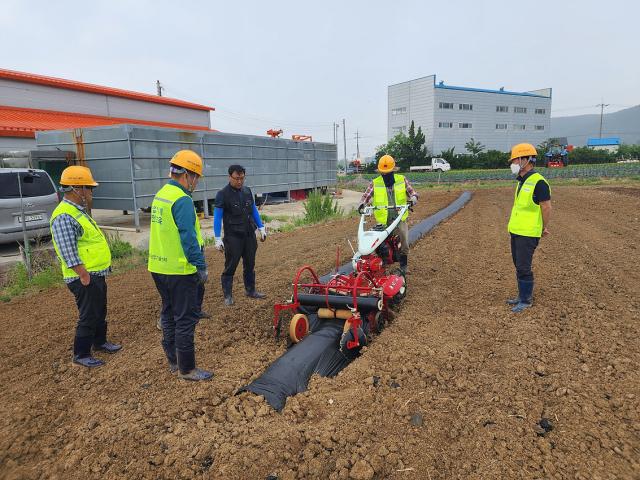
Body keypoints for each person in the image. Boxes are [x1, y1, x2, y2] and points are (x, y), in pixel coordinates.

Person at [148, 150, 212, 381]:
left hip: (158, 267)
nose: (196, 183)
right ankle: (187, 369)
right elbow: (189, 238)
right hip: (179, 270)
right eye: (196, 177)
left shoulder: (161, 194)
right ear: (188, 175)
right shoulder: (182, 199)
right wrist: (200, 265)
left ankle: (173, 361)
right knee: (185, 318)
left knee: (168, 313)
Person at [50, 165, 121, 368]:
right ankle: (81, 354)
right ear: (77, 189)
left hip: (95, 273)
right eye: (89, 188)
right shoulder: (64, 215)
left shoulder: (76, 211)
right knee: (89, 314)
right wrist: (83, 274)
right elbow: (67, 250)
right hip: (84, 276)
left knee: (99, 310)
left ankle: (99, 342)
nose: (91, 192)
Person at [506, 143, 552, 313]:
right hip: (517, 231)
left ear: (526, 160)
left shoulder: (539, 182)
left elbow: (546, 207)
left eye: (515, 160)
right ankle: (521, 296)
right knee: (518, 265)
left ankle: (526, 300)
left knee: (524, 267)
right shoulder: (521, 181)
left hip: (528, 232)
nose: (513, 163)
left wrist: (543, 227)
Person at [213, 165, 267, 306]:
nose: (239, 181)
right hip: (233, 237)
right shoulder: (222, 194)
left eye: (242, 178)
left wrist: (261, 227)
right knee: (230, 266)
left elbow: (253, 210)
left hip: (249, 234)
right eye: (237, 178)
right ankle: (228, 296)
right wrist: (217, 238)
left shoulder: (247, 191)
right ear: (229, 176)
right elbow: (217, 217)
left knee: (250, 264)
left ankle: (251, 290)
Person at [357, 154, 418, 274]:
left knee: (404, 241)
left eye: (388, 172)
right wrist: (362, 204)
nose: (385, 175)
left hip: (399, 217)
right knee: (378, 242)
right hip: (383, 220)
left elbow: (413, 193)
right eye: (383, 173)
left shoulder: (401, 179)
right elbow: (366, 196)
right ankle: (382, 262)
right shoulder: (375, 183)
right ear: (380, 171)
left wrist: (412, 200)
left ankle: (403, 266)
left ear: (393, 170)